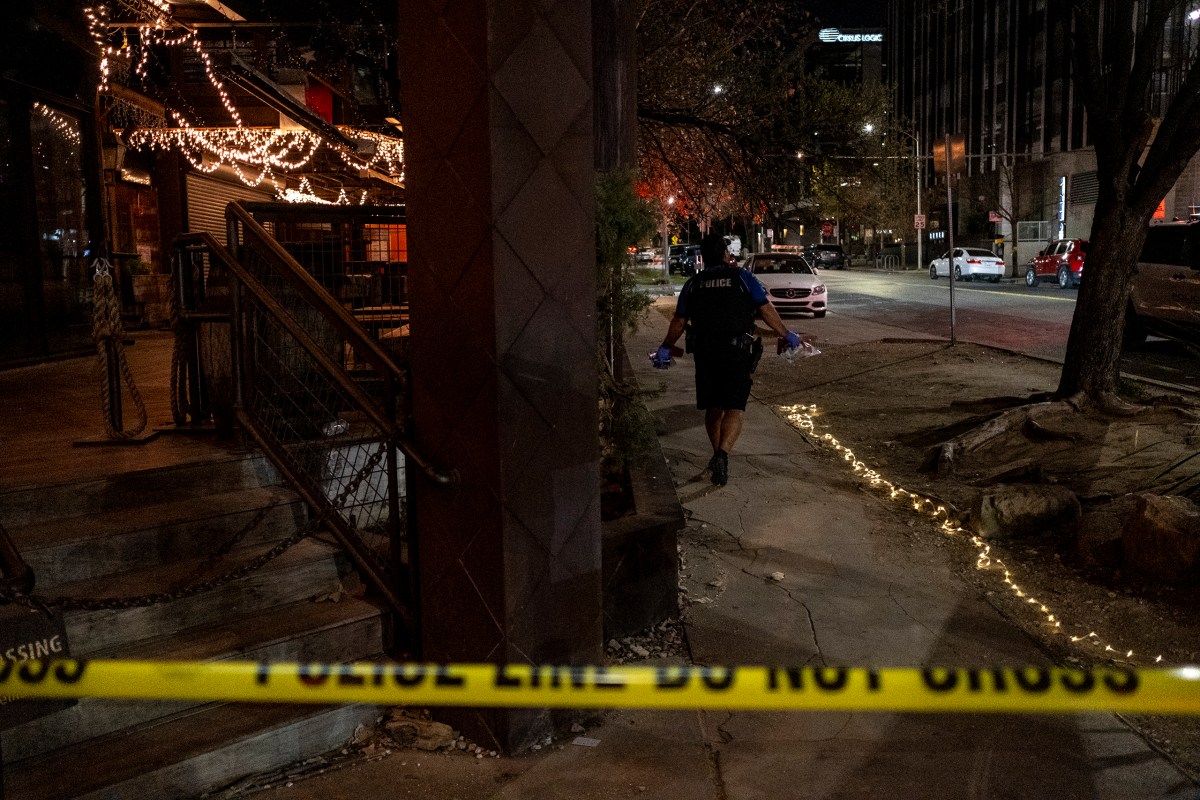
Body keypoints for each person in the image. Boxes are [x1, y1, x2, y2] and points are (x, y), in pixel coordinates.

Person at [651, 231, 810, 486]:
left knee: (713, 407)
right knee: (734, 408)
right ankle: (723, 454)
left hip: (705, 354)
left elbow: (680, 321)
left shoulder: (693, 284)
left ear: (703, 257)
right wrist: (786, 334)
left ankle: (716, 454)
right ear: (726, 254)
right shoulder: (743, 278)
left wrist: (666, 346)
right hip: (735, 353)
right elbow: (765, 309)